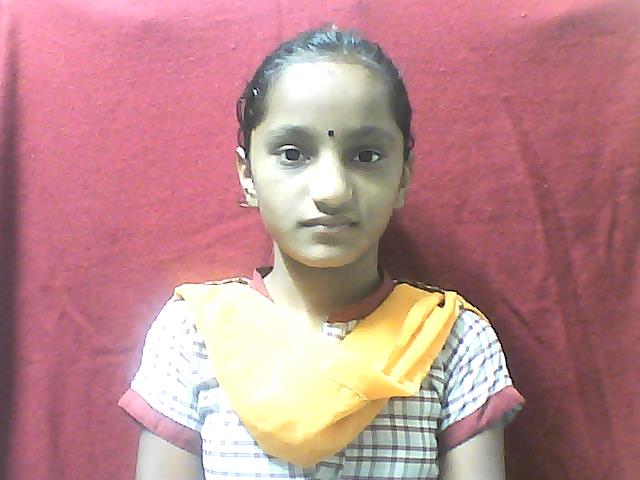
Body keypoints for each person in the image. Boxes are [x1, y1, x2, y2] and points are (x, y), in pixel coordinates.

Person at [119, 25, 525, 480]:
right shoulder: (192, 334)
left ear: (404, 175)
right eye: (293, 154)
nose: (332, 191)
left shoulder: (453, 341)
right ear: (247, 175)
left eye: (366, 156)